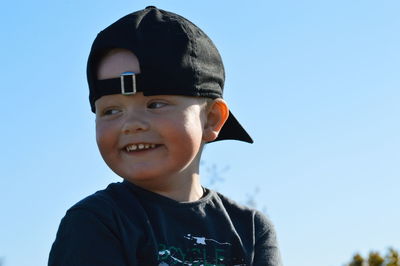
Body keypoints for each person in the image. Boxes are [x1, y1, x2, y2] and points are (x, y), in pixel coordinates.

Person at [48, 6, 282, 266]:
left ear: (212, 119)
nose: (132, 124)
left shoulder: (251, 230)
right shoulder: (95, 222)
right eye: (112, 110)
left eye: (156, 104)